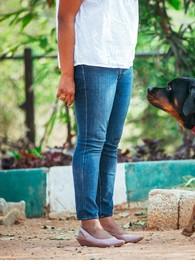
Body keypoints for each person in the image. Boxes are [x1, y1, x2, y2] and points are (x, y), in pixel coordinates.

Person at [56, 0, 143, 247]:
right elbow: (65, 18)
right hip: (91, 62)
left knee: (110, 144)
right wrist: (66, 73)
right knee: (91, 141)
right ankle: (88, 224)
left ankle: (105, 218)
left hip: (123, 63)